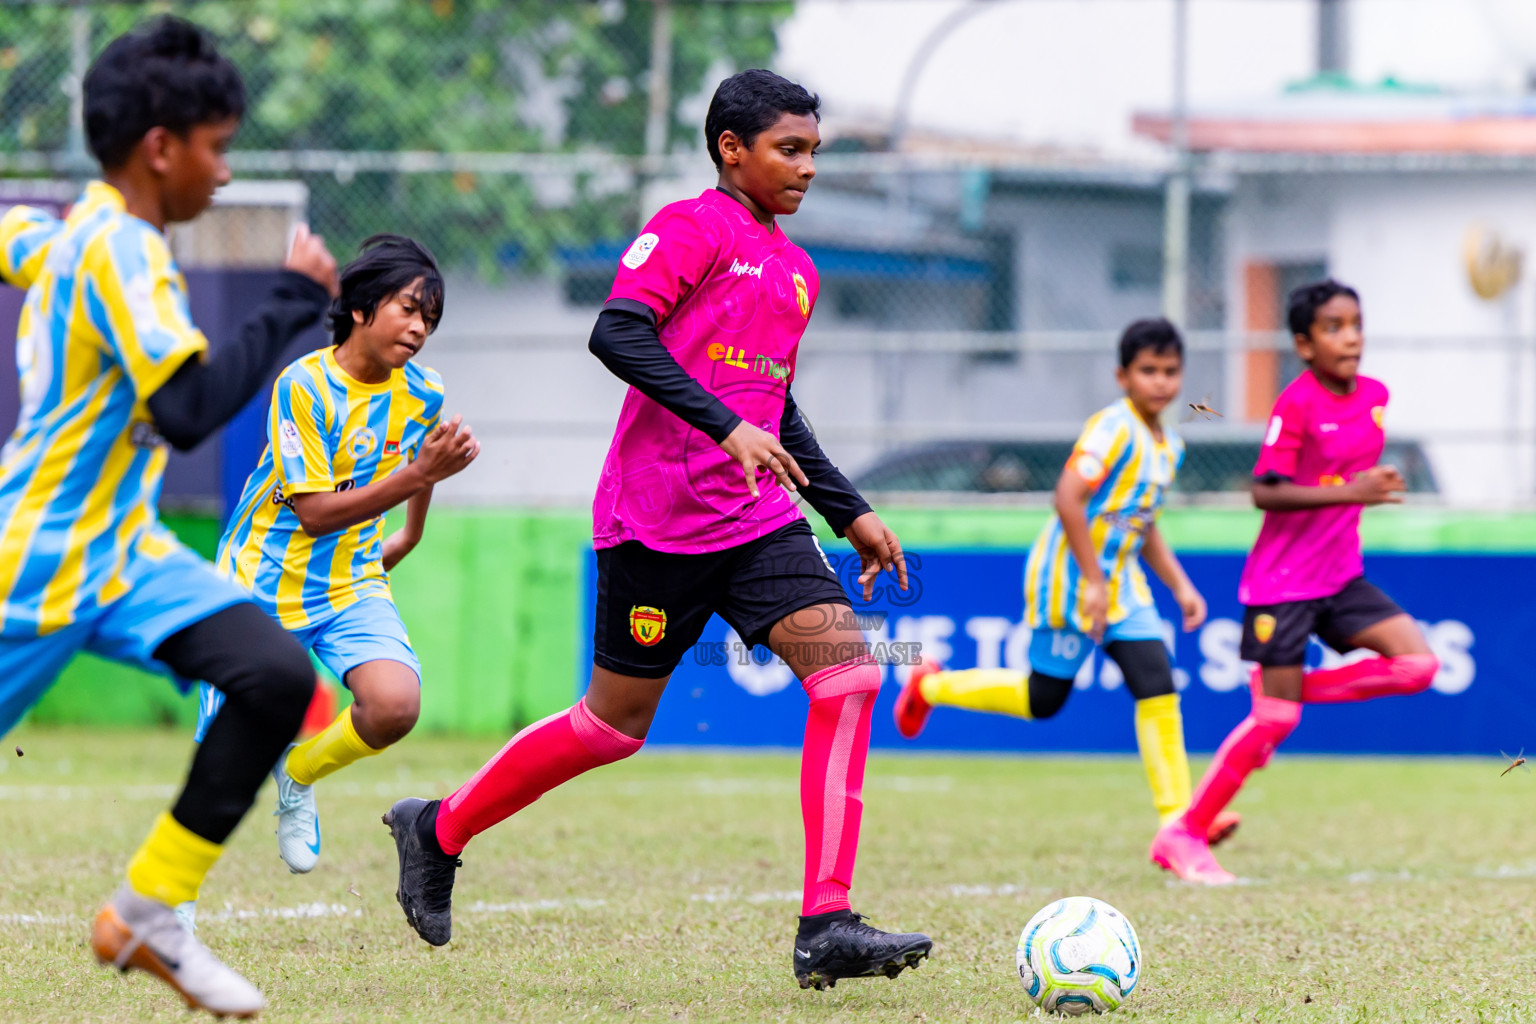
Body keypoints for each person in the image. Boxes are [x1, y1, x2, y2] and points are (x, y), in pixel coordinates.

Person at [382, 69, 932, 991]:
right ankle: (435, 828)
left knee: (851, 678)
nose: (805, 168)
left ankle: (826, 922)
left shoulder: (797, 271)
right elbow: (618, 334)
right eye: (788, 149)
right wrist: (724, 425)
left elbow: (774, 403)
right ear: (732, 149)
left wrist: (849, 509)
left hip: (759, 524)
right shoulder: (690, 230)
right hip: (656, 524)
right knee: (611, 728)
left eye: (812, 152)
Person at [0, 16, 340, 1018]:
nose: (224, 175)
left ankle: (150, 910)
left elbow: (17, 241)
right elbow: (185, 406)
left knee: (275, 675)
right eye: (219, 148)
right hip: (34, 567)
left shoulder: (73, 232)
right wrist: (290, 302)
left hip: (123, 555)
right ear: (161, 148)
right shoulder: (124, 250)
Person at [179, 235, 478, 929]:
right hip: (261, 580)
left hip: (350, 582)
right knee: (222, 753)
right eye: (408, 309)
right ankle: (175, 896)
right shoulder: (304, 385)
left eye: (430, 319)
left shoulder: (423, 391)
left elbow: (423, 457)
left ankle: (301, 773)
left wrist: (412, 532)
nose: (419, 328)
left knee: (395, 704)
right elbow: (313, 514)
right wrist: (418, 478)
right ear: (362, 307)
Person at [893, 318, 1239, 847]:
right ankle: (931, 684)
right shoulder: (1112, 428)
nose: (1161, 382)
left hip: (1121, 585)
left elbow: (1141, 525)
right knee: (1043, 698)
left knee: (1158, 684)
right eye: (1149, 371)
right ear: (1124, 375)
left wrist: (1180, 585)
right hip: (1068, 581)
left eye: (1170, 372)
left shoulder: (1170, 445)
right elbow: (1067, 498)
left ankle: (1180, 821)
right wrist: (1092, 583)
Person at [1149, 279, 1439, 884]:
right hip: (1281, 586)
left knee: (1418, 667)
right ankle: (1184, 833)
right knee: (1274, 722)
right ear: (1304, 344)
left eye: (1356, 323)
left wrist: (1367, 483)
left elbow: (1342, 477)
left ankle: (1289, 694)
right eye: (1334, 327)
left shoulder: (1376, 397)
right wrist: (1353, 490)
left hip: (1341, 577)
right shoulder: (1297, 403)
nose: (1351, 336)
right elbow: (1266, 491)